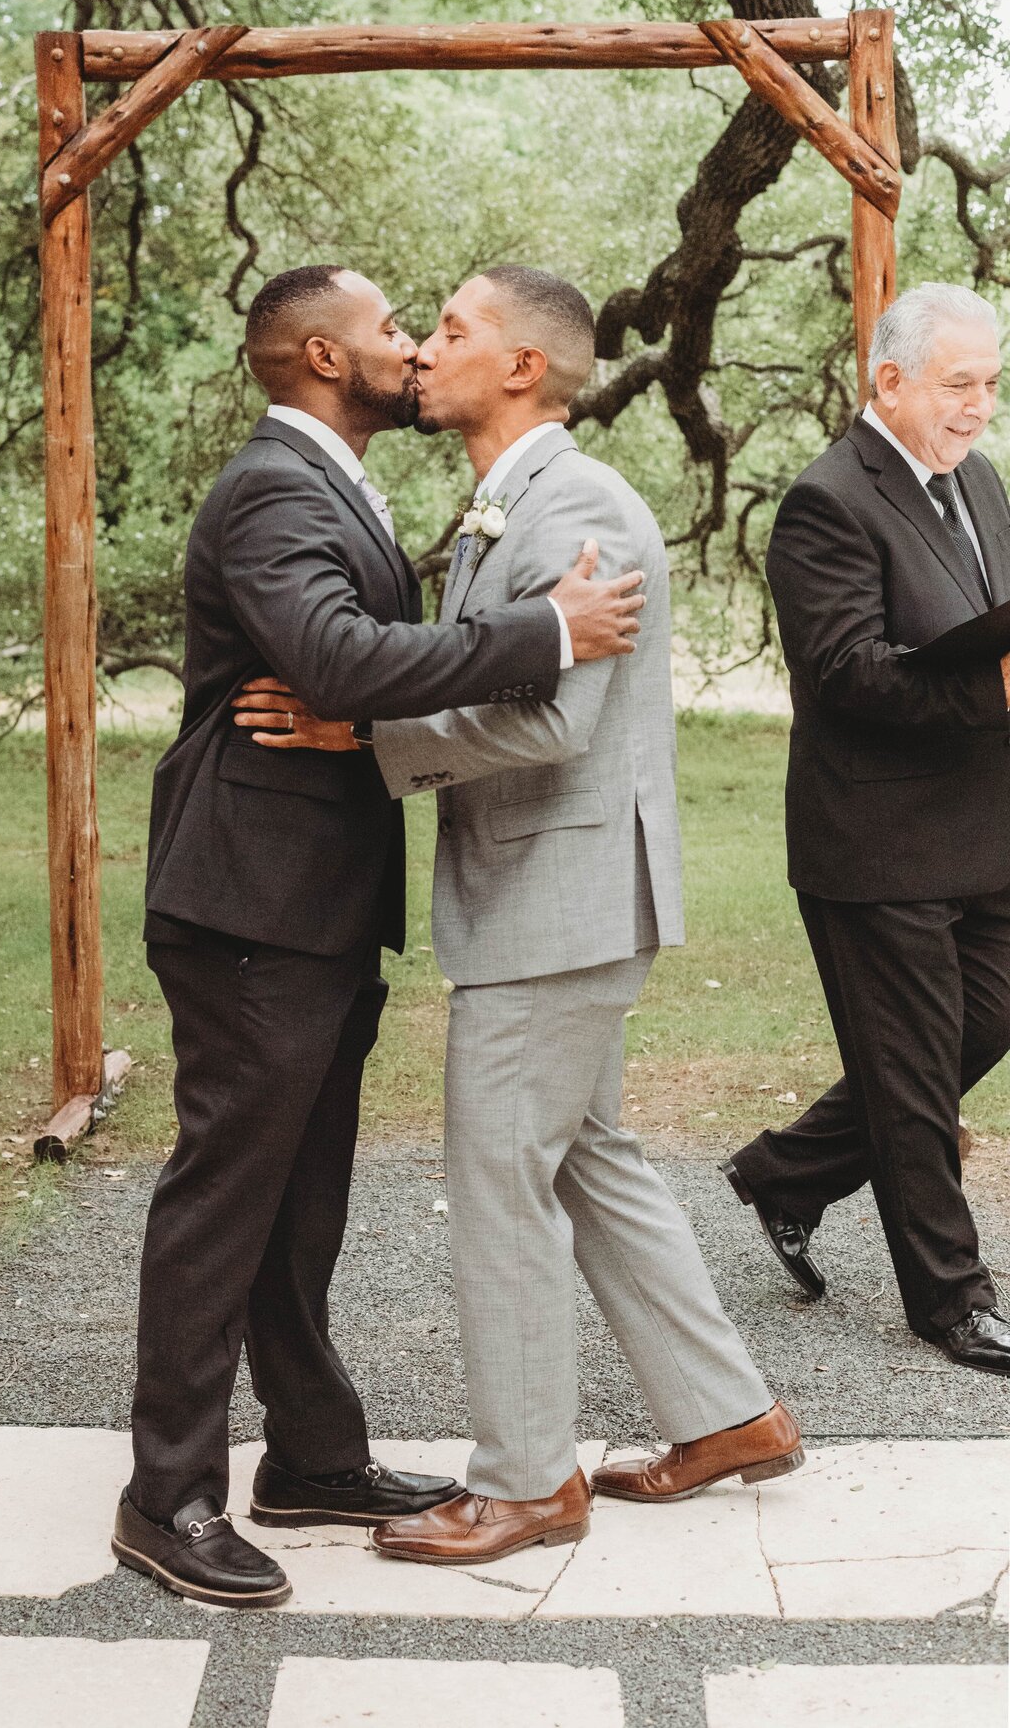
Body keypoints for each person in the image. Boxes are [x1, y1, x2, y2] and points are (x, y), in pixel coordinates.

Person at [237, 267, 800, 1570]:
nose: (423, 354)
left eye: (449, 332)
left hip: (559, 896)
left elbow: (553, 718)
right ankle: (731, 1414)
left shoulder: (576, 506)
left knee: (498, 1181)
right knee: (589, 1157)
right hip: (567, 894)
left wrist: (364, 730)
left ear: (524, 369)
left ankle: (525, 1482)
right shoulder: (514, 505)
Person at [113, 265, 649, 1610]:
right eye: (392, 332)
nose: (412, 350)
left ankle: (311, 1456)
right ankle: (165, 1494)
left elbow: (354, 669)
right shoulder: (271, 492)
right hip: (249, 902)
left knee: (303, 1202)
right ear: (318, 355)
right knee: (223, 1202)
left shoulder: (336, 484)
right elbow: (341, 661)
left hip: (315, 905)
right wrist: (547, 628)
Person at [722, 281, 1010, 1377]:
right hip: (876, 844)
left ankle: (789, 1173)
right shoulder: (826, 502)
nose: (980, 406)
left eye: (990, 383)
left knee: (949, 1047)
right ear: (890, 381)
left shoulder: (977, 478)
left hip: (986, 831)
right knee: (911, 1070)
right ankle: (950, 1299)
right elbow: (846, 677)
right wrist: (999, 687)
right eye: (959, 384)